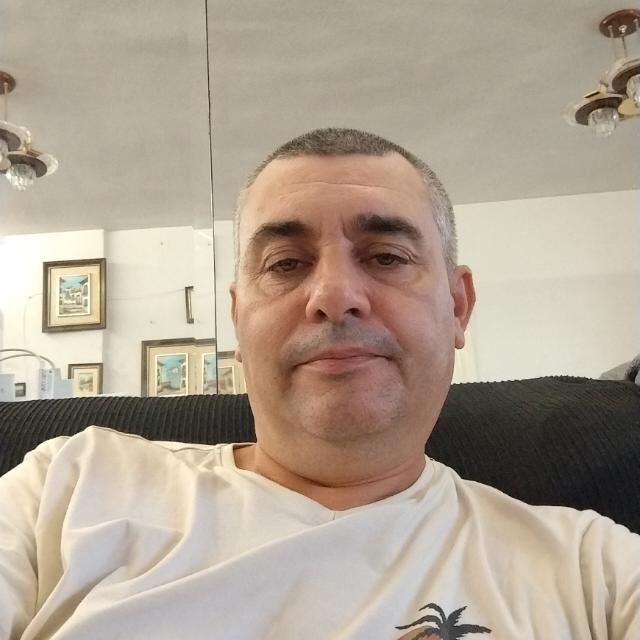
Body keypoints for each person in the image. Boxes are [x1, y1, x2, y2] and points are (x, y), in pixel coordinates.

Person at [1, 128, 638, 640]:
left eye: (386, 257)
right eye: (286, 264)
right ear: (238, 319)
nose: (334, 295)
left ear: (458, 306)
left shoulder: (595, 570)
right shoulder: (67, 486)